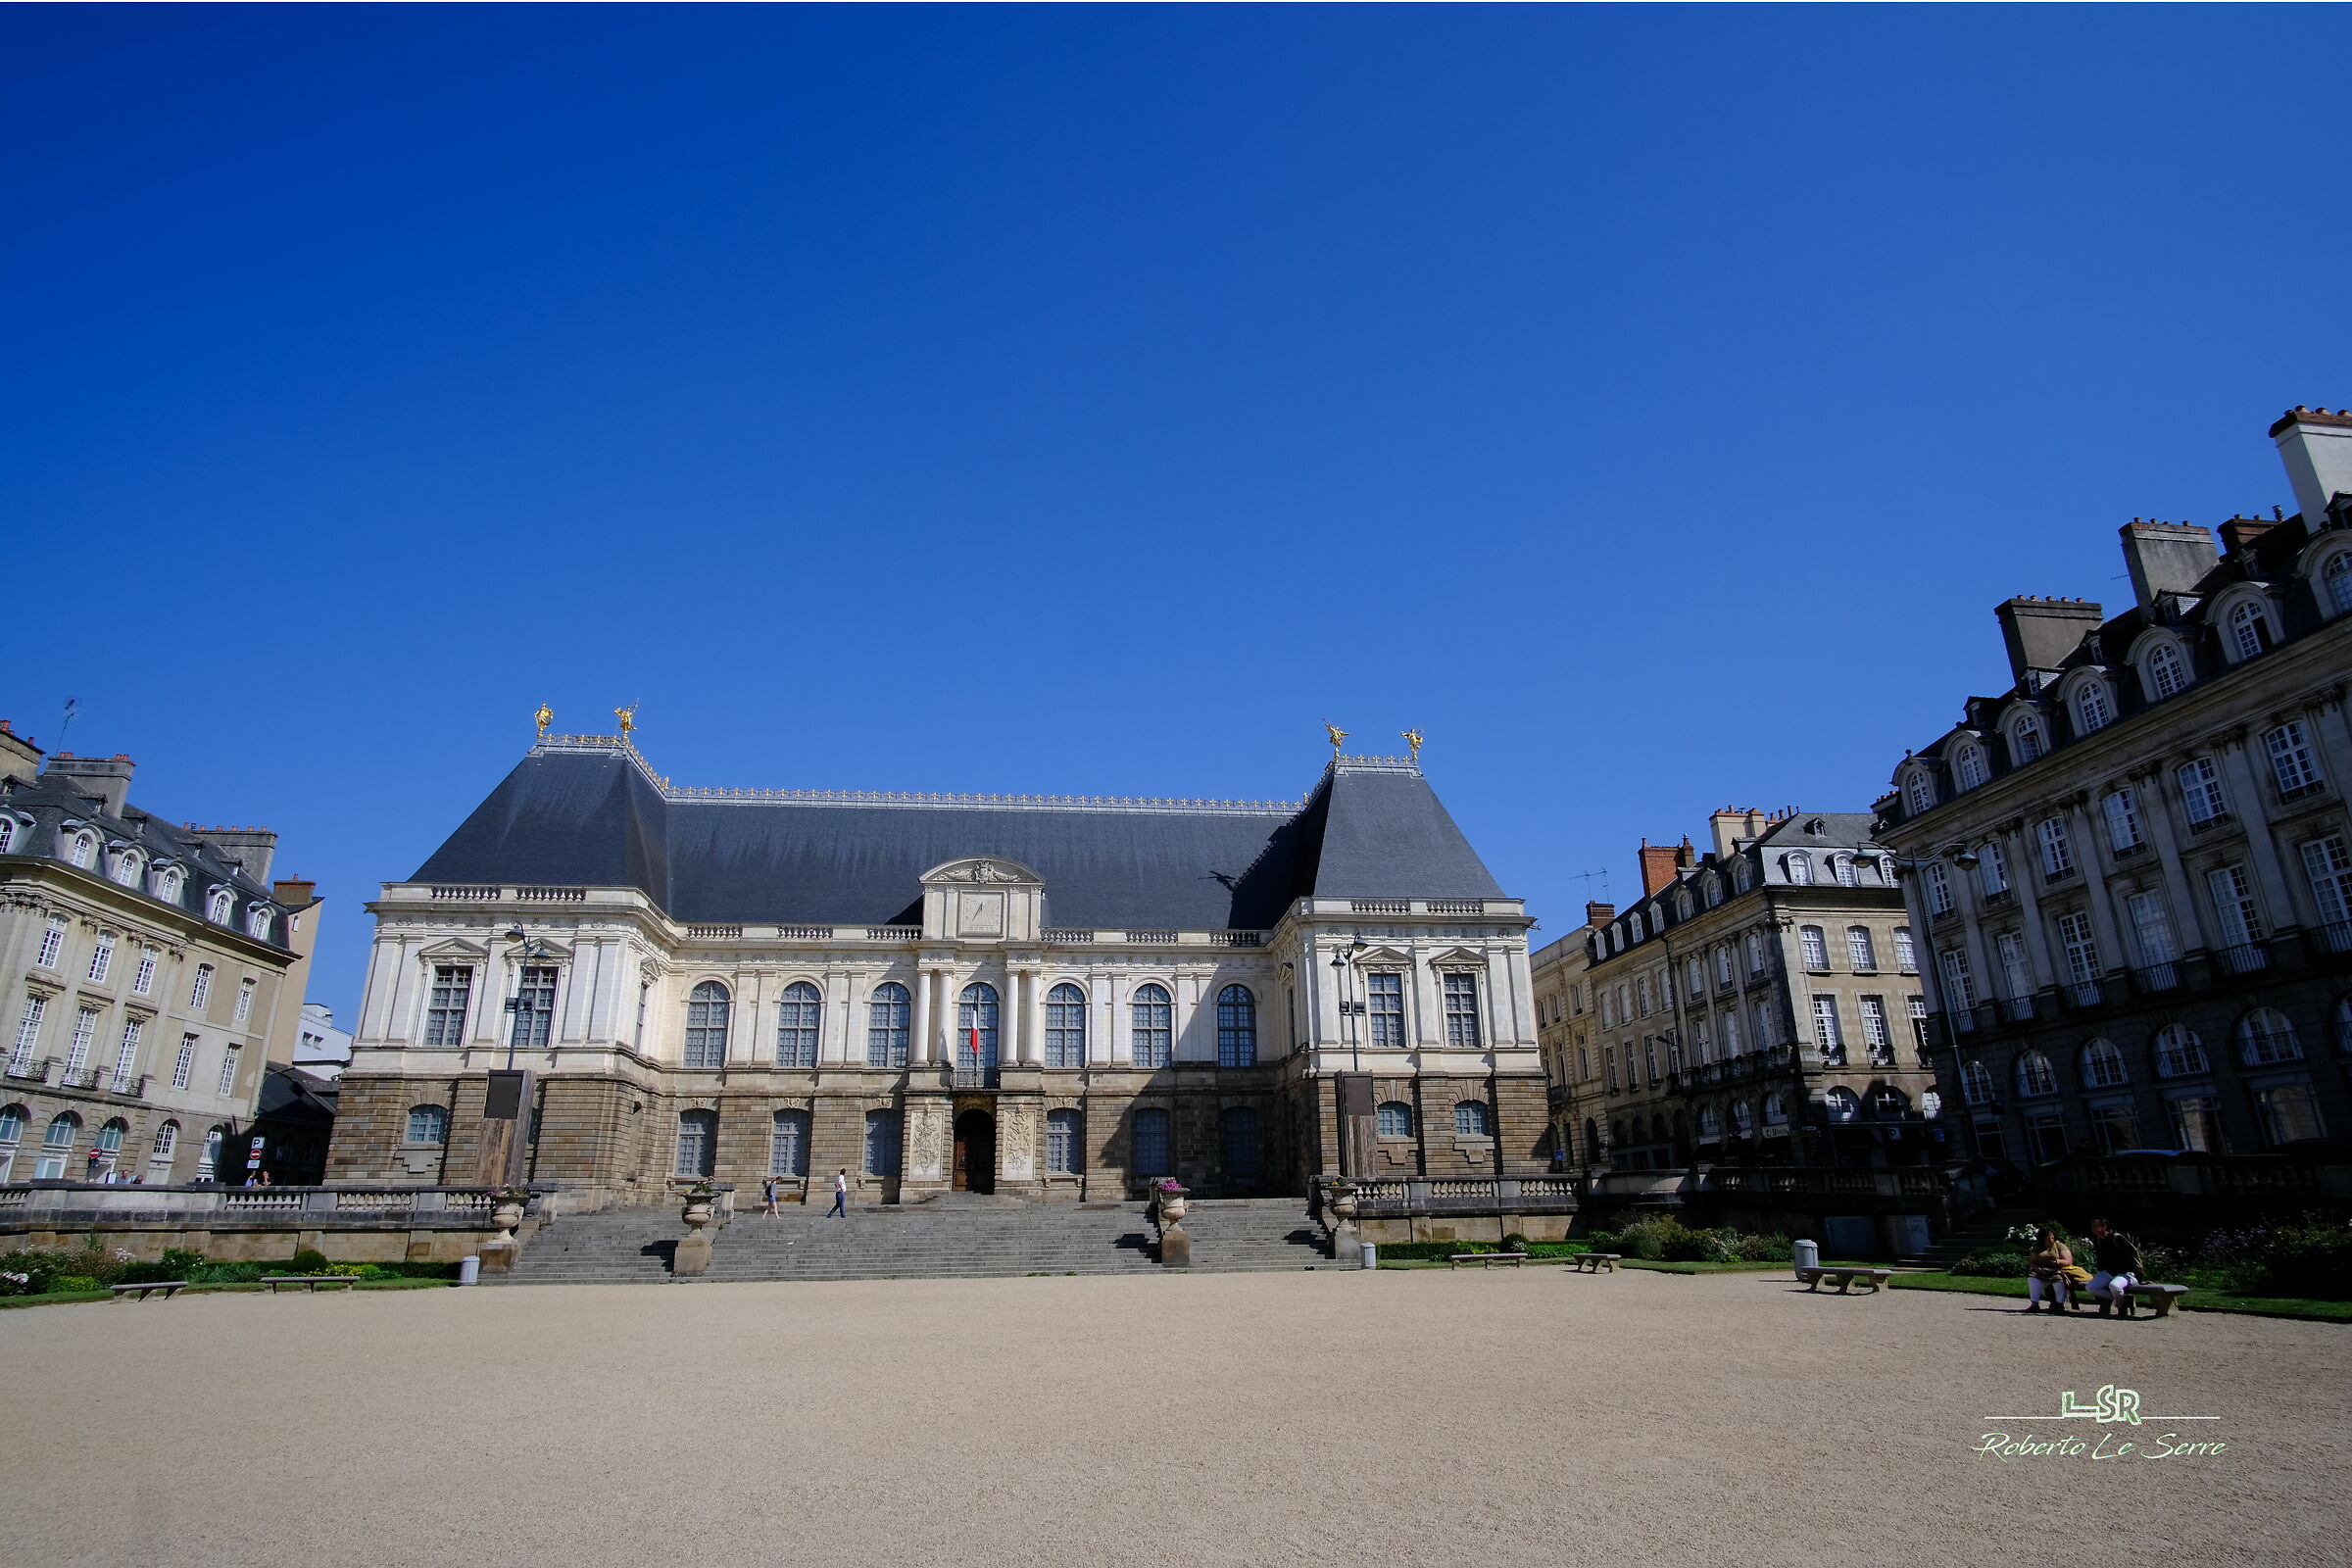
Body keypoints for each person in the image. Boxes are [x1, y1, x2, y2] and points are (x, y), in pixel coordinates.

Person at [2085, 1215, 2144, 1319]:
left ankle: (2121, 1306)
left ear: (2104, 1226)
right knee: (2090, 1287)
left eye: (2096, 1225)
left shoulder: (2117, 1238)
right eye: (2092, 1226)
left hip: (2126, 1273)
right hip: (2109, 1272)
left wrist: (2138, 1276)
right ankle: (2125, 1299)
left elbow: (2130, 1258)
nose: (2093, 1228)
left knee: (2115, 1286)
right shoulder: (2098, 1240)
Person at [2025, 1224, 2077, 1313]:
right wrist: (2039, 1269)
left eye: (2051, 1235)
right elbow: (2032, 1262)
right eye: (2047, 1236)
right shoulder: (2037, 1247)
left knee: (2059, 1279)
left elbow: (2069, 1260)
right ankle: (2034, 1304)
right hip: (2042, 1271)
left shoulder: (2059, 1245)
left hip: (2057, 1271)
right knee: (2032, 1277)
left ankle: (2059, 1305)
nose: (2050, 1237)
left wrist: (2058, 1262)